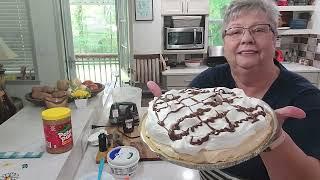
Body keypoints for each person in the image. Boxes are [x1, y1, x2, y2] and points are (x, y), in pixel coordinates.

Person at [148, 0, 320, 179]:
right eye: (235, 31)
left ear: (275, 38)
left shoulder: (305, 101)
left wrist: (274, 138)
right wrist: (167, 116)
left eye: (259, 29)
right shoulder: (209, 81)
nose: (246, 38)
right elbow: (187, 140)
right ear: (224, 41)